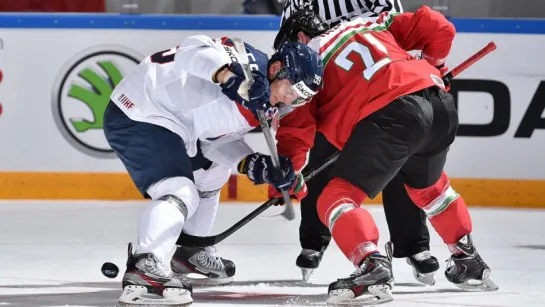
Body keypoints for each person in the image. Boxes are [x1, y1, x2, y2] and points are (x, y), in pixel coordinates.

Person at [269, 6, 498, 304]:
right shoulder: (371, 25)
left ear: (300, 35)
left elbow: (295, 133)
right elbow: (440, 26)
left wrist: (286, 179)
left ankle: (371, 268)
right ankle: (469, 261)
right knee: (430, 189)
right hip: (439, 104)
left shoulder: (303, 62)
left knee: (335, 198)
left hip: (391, 114)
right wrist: (434, 65)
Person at [103, 35, 324, 305]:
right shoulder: (247, 62)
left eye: (299, 99)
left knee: (214, 171)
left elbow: (216, 141)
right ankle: (145, 266)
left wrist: (256, 164)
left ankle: (191, 250)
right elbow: (192, 48)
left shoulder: (262, 107)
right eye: (291, 90)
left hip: (178, 125)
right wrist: (228, 76)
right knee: (179, 191)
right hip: (141, 110)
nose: (289, 101)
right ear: (277, 70)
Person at [277, 1, 439, 286]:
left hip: (379, 85)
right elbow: (291, 46)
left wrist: (425, 63)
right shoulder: (298, 4)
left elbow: (398, 31)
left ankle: (413, 244)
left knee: (400, 161)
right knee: (320, 155)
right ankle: (314, 240)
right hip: (336, 86)